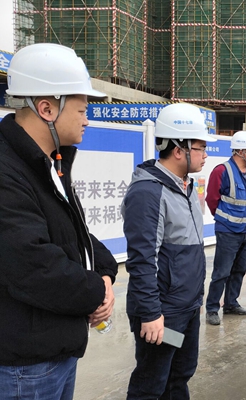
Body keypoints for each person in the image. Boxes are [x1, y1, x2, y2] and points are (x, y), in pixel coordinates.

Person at [0, 43, 118, 400]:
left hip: (54, 349)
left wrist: (105, 272)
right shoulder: (7, 170)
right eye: (82, 110)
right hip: (24, 366)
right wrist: (96, 291)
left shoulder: (50, 162)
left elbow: (74, 233)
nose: (87, 119)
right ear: (47, 108)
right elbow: (32, 265)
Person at [122, 103, 216, 399]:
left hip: (186, 308)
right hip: (163, 313)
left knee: (179, 374)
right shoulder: (149, 193)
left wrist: (195, 299)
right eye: (201, 148)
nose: (205, 154)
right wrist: (151, 314)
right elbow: (142, 261)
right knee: (151, 382)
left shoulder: (185, 186)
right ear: (178, 150)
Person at [205, 130, 246, 324]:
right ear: (239, 151)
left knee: (239, 269)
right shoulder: (222, 171)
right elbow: (212, 199)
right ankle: (212, 308)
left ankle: (231, 303)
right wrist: (224, 219)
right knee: (222, 272)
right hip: (228, 230)